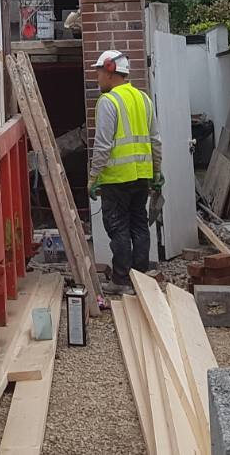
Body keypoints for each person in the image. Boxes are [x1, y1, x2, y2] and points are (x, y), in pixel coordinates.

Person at [87, 49, 161, 294]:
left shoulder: (108, 101)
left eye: (98, 71)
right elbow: (155, 140)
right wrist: (157, 172)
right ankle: (140, 278)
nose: (96, 76)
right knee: (139, 225)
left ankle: (120, 281)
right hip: (141, 176)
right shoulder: (143, 99)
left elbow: (103, 145)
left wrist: (93, 177)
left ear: (109, 70)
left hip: (116, 179)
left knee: (118, 228)